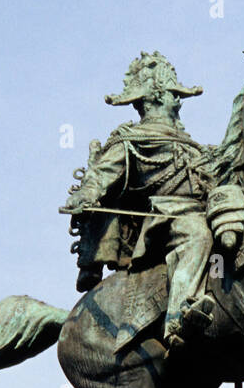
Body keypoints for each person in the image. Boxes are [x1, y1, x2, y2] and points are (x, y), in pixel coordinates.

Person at [61, 51, 215, 348]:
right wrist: (86, 194)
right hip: (166, 218)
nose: (179, 101)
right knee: (197, 235)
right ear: (156, 98)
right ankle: (178, 319)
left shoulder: (194, 146)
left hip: (201, 210)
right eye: (174, 95)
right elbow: (102, 174)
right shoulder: (131, 140)